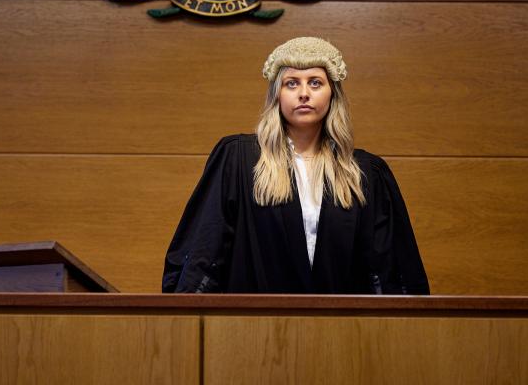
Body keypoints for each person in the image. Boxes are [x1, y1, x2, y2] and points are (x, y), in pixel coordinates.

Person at [162, 37, 429, 294]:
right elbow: (206, 249)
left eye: (315, 83)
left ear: (332, 94)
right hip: (253, 328)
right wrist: (185, 315)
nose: (303, 94)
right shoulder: (240, 159)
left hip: (340, 330)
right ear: (276, 94)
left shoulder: (365, 173)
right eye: (291, 83)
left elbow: (388, 268)